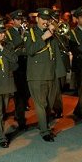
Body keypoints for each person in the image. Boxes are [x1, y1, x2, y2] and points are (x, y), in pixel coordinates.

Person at [24, 8, 67, 142]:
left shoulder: (52, 33)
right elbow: (30, 50)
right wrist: (43, 37)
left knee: (49, 103)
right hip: (36, 75)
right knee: (41, 104)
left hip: (51, 74)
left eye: (47, 19)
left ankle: (44, 125)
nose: (45, 22)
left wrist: (60, 73)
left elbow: (59, 51)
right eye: (43, 19)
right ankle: (44, 131)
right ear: (37, 19)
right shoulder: (30, 32)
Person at [5, 9, 30, 131]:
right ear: (13, 20)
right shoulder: (9, 32)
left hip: (26, 63)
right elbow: (12, 46)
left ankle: (19, 112)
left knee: (27, 92)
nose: (20, 22)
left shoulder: (25, 30)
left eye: (21, 19)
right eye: (18, 20)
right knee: (19, 93)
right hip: (17, 65)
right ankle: (21, 120)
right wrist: (22, 36)